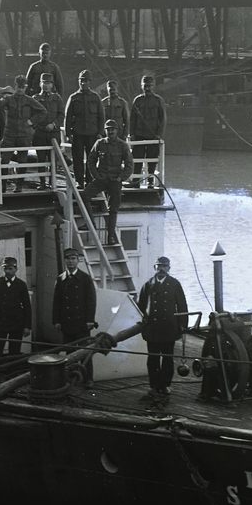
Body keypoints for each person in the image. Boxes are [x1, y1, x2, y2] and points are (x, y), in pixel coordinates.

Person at [136, 256, 189, 405]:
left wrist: (183, 325)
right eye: (159, 266)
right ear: (155, 268)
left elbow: (182, 305)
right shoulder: (148, 285)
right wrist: (141, 321)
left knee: (167, 359)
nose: (161, 269)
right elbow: (140, 306)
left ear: (168, 268)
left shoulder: (174, 284)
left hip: (169, 327)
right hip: (152, 328)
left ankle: (165, 385)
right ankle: (154, 386)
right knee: (153, 359)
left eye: (164, 266)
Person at [51, 247, 96, 385]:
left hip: (82, 322)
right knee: (69, 352)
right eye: (68, 259)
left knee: (84, 352)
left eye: (73, 259)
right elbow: (57, 301)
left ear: (78, 260)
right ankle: (71, 377)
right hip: (67, 322)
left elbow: (91, 300)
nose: (70, 261)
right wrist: (56, 320)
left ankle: (88, 379)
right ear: (65, 261)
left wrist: (90, 320)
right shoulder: (61, 279)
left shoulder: (85, 278)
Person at [85, 119, 130, 245]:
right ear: (105, 131)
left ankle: (110, 236)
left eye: (113, 129)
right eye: (108, 129)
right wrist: (96, 175)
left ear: (117, 131)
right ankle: (91, 223)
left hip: (115, 180)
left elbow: (129, 164)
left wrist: (121, 178)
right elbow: (91, 160)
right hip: (101, 179)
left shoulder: (122, 145)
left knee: (113, 209)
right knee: (85, 196)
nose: (110, 132)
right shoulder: (100, 143)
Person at [0, 256, 31, 363]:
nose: (7, 271)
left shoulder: (21, 285)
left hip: (16, 324)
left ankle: (12, 372)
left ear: (16, 269)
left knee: (14, 351)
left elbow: (27, 307)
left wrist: (27, 326)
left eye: (10, 269)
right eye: (5, 269)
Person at [63, 70, 103, 189]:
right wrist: (68, 133)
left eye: (86, 81)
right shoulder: (74, 97)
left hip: (92, 133)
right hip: (78, 133)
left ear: (90, 82)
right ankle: (79, 181)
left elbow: (101, 116)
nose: (83, 83)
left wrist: (100, 133)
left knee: (92, 158)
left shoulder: (96, 98)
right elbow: (68, 117)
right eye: (81, 81)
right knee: (77, 158)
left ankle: (90, 181)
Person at [0, 82, 40, 190]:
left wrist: (32, 121)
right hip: (10, 135)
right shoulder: (9, 99)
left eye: (22, 87)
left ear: (25, 87)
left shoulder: (29, 100)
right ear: (15, 86)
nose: (20, 89)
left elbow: (42, 111)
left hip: (24, 135)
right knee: (4, 160)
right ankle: (3, 184)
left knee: (22, 161)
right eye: (18, 87)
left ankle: (19, 184)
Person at [129, 74, 166, 187]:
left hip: (152, 136)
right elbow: (132, 119)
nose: (147, 88)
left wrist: (159, 134)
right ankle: (136, 181)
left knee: (152, 159)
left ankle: (150, 181)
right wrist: (132, 134)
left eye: (149, 86)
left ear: (153, 86)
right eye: (145, 86)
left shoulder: (158, 100)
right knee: (137, 158)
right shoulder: (138, 100)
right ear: (142, 86)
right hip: (139, 135)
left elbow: (163, 118)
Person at [32, 75, 64, 182]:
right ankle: (42, 182)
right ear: (40, 84)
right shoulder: (35, 99)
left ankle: (52, 182)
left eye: (49, 83)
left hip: (53, 133)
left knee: (53, 159)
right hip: (40, 133)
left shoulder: (57, 98)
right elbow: (31, 115)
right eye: (44, 83)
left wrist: (53, 124)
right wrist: (36, 126)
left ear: (52, 85)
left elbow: (61, 114)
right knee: (41, 159)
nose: (46, 85)